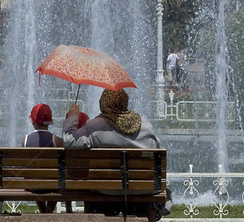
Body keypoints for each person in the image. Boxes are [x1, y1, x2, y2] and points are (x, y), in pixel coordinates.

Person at [62, 89, 170, 222]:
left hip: (106, 190)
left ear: (103, 103)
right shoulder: (144, 124)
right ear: (124, 103)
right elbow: (156, 147)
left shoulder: (96, 126)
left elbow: (69, 140)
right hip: (143, 188)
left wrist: (73, 116)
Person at [22, 103, 63, 213]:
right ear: (50, 121)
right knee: (56, 179)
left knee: (35, 176)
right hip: (53, 186)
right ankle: (47, 213)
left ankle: (43, 212)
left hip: (33, 186)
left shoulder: (25, 140)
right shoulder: (57, 140)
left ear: (32, 120)